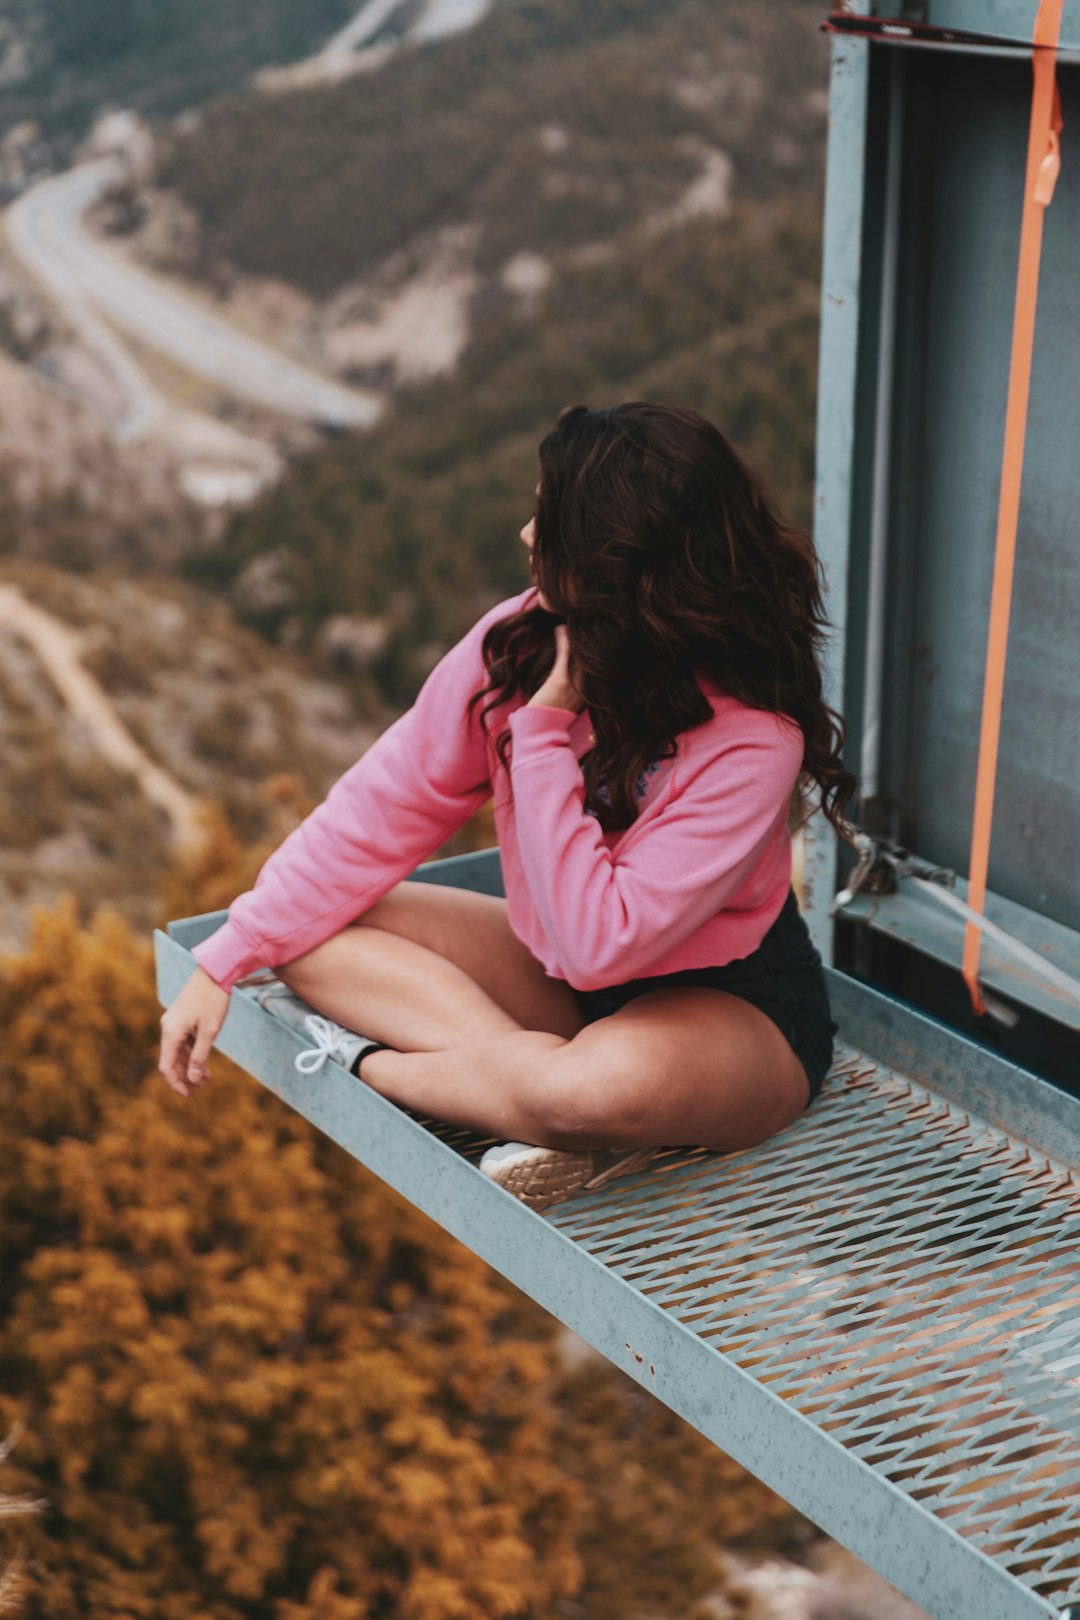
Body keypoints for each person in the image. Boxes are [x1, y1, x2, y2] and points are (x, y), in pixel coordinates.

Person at [159, 402, 856, 1212]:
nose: (527, 537)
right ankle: (531, 1097)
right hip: (559, 980)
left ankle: (389, 1070)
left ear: (618, 564)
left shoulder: (754, 737)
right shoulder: (517, 644)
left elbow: (605, 944)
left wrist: (546, 731)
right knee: (307, 932)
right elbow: (384, 804)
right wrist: (226, 958)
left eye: (548, 521)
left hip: (731, 1005)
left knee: (598, 1090)